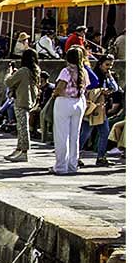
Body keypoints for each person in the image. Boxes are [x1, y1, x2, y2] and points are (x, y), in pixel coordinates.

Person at [51, 47, 90, 175]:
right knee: (75, 136)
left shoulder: (66, 71)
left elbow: (60, 87)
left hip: (64, 102)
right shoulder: (84, 71)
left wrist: (55, 94)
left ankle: (61, 166)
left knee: (62, 135)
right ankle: (72, 165)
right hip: (79, 102)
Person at [83, 55, 120, 166]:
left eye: (110, 65)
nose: (108, 67)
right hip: (93, 108)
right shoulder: (94, 77)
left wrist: (110, 77)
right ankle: (76, 156)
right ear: (100, 64)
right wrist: (100, 90)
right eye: (107, 65)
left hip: (101, 108)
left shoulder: (106, 76)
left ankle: (101, 157)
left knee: (104, 132)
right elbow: (89, 89)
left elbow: (115, 88)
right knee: (85, 134)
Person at [3, 50, 39, 162]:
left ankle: (24, 152)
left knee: (23, 127)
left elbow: (9, 82)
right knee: (22, 126)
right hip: (30, 100)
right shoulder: (35, 70)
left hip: (21, 100)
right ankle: (19, 149)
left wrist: (9, 72)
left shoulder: (23, 71)